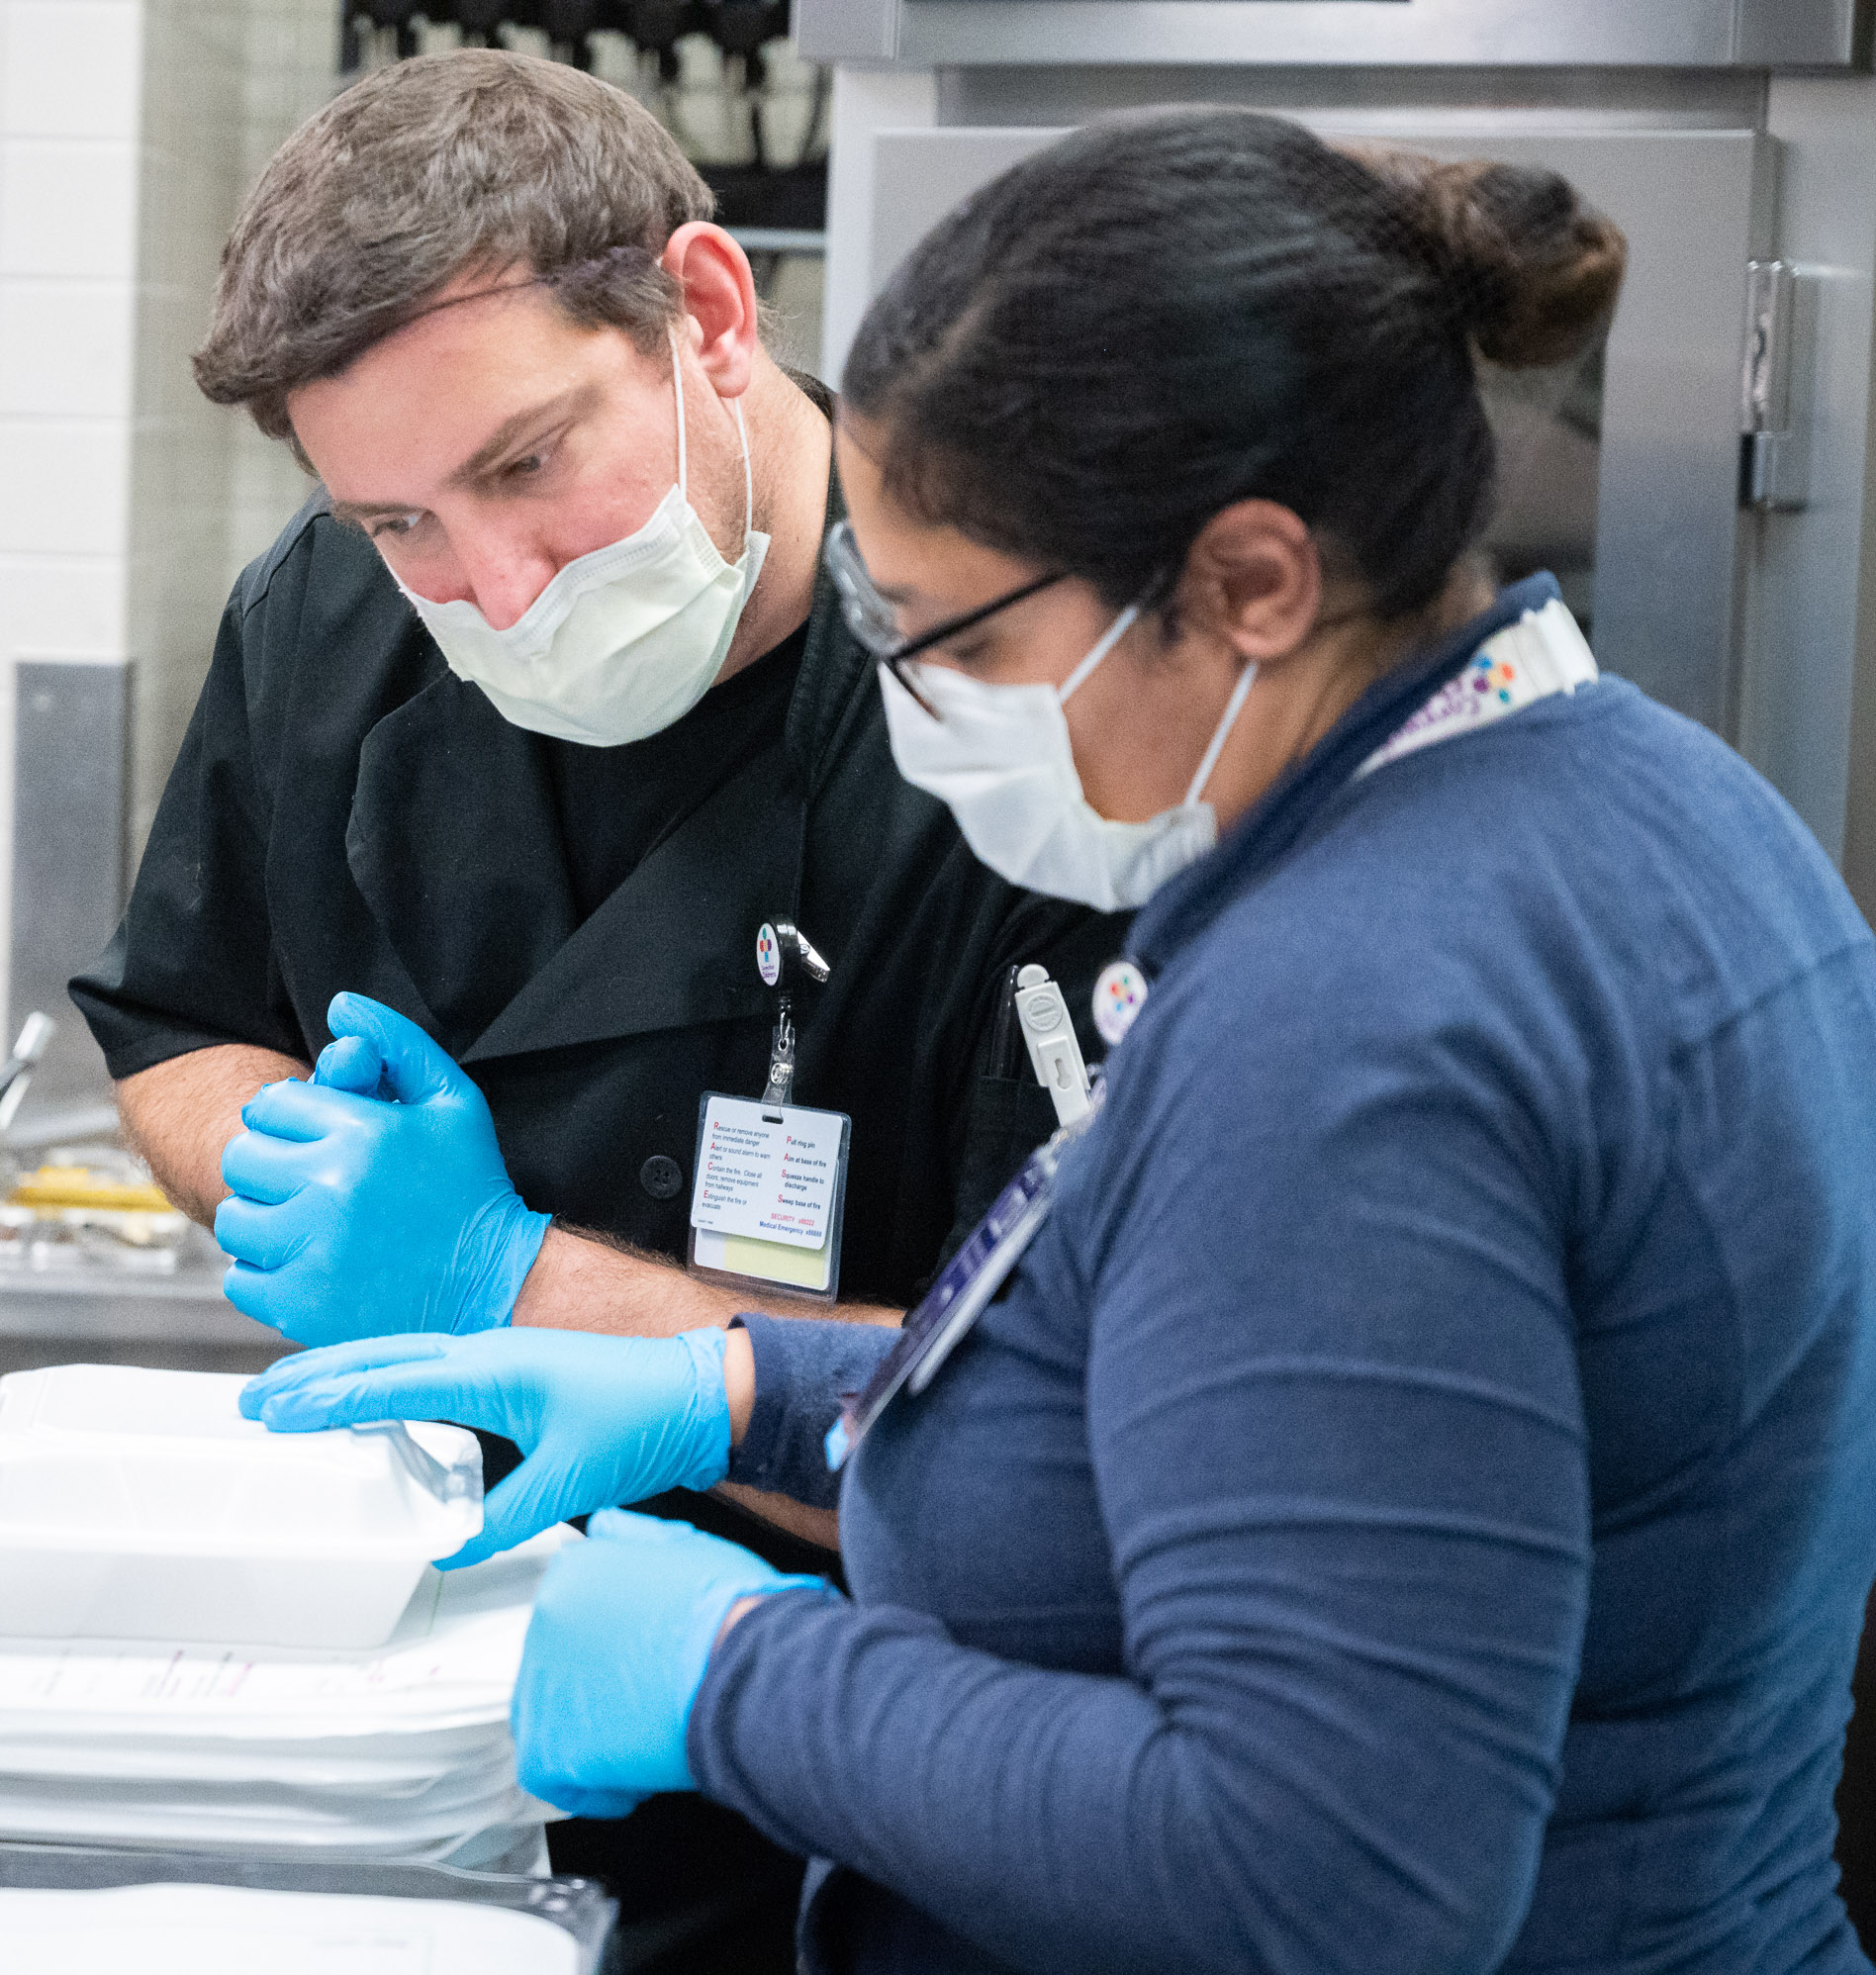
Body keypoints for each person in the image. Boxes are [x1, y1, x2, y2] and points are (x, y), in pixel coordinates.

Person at [244, 109, 1876, 1973]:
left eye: (965, 643)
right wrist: (757, 1394)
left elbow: (1323, 1871)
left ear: (1252, 583)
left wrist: (739, 1674)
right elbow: (1290, 1456)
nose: (925, 711)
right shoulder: (1655, 803)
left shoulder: (1356, 1021)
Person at [69, 47, 1126, 1971]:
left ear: (707, 315)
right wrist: (294, 1168)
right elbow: (184, 1021)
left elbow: (1076, 1449)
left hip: (867, 1750)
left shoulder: (1023, 712)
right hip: (438, 1714)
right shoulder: (328, 604)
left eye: (529, 465)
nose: (486, 585)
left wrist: (502, 1278)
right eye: (400, 522)